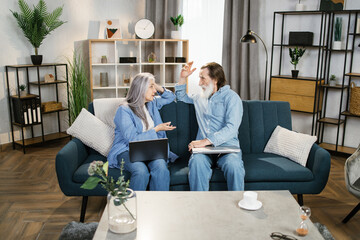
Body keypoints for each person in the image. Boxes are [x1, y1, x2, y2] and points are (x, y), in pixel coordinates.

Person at [175, 61, 245, 191]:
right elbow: (181, 97)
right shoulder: (200, 97)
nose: (199, 83)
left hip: (227, 147)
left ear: (215, 79)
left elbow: (232, 128)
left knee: (234, 166)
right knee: (196, 163)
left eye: (203, 78)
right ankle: (200, 206)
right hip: (204, 151)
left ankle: (237, 208)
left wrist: (205, 141)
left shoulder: (232, 98)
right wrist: (183, 77)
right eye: (199, 78)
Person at [107, 72, 177, 191]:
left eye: (154, 87)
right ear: (140, 88)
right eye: (151, 87)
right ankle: (134, 207)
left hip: (151, 148)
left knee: (161, 168)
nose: (154, 91)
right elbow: (132, 139)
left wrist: (154, 84)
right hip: (127, 149)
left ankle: (159, 204)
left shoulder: (152, 103)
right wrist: (156, 129)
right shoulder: (124, 110)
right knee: (141, 171)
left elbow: (171, 97)